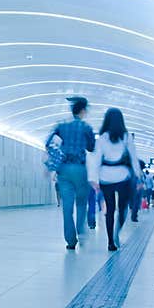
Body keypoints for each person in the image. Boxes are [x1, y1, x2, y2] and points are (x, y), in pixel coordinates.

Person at [88, 108, 142, 251]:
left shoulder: (102, 138)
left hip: (105, 178)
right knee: (123, 208)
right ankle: (117, 231)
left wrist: (93, 179)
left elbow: (96, 160)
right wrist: (138, 175)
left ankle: (110, 241)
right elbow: (133, 158)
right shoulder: (127, 137)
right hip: (123, 177)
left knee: (110, 210)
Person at [46, 97, 95, 250]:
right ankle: (80, 229)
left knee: (67, 206)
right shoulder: (86, 127)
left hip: (64, 169)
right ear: (83, 111)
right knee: (81, 202)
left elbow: (48, 142)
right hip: (80, 169)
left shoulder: (61, 125)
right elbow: (92, 147)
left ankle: (70, 240)